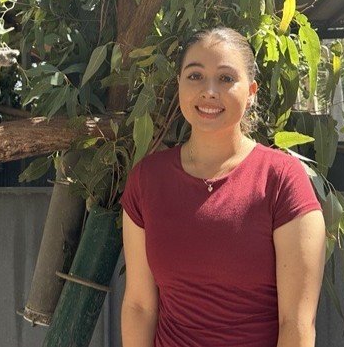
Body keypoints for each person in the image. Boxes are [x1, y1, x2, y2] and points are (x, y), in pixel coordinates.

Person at [120, 27, 326, 347]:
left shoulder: (282, 180)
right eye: (195, 76)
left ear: (252, 91)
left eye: (226, 79)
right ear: (179, 86)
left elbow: (296, 323)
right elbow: (139, 306)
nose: (210, 91)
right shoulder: (147, 180)